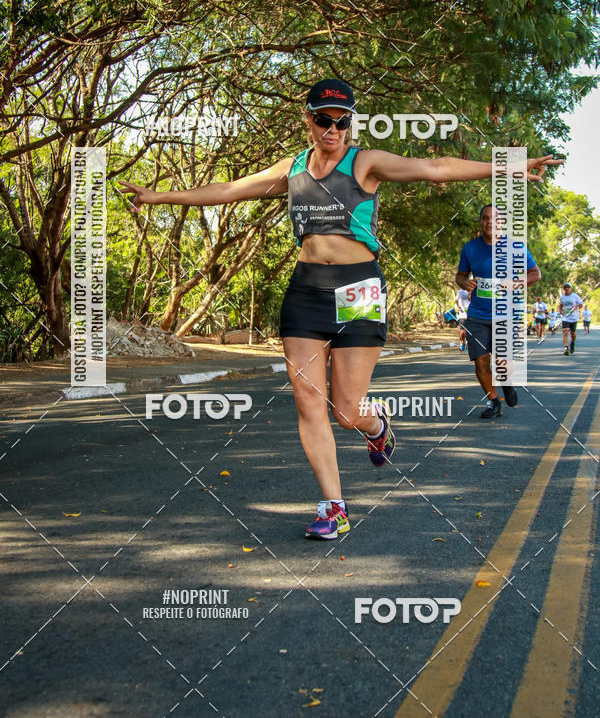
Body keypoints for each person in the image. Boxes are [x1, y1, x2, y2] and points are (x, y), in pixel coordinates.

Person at [120, 79, 560, 539]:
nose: (334, 129)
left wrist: (508, 167)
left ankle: (376, 425)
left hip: (359, 288)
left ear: (351, 122)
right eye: (325, 119)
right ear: (308, 119)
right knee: (308, 399)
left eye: (343, 120)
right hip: (307, 290)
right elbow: (229, 189)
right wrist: (159, 197)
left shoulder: (364, 162)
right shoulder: (291, 168)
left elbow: (435, 167)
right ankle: (333, 506)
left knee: (346, 411)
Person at [455, 204, 542, 420]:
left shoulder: (516, 247)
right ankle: (494, 402)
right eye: (485, 218)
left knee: (503, 365)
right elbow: (460, 275)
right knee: (481, 362)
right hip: (477, 315)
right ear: (481, 221)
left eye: (495, 219)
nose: (490, 222)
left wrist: (513, 283)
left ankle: (507, 383)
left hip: (507, 315)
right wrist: (466, 283)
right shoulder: (470, 248)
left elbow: (535, 274)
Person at [560, 283, 584, 354]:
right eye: (565, 288)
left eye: (568, 287)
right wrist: (560, 310)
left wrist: (576, 307)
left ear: (571, 288)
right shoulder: (562, 297)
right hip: (565, 318)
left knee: (573, 333)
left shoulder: (575, 296)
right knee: (565, 331)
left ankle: (572, 343)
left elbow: (581, 305)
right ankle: (566, 348)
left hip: (574, 317)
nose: (567, 289)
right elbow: (560, 305)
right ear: (564, 289)